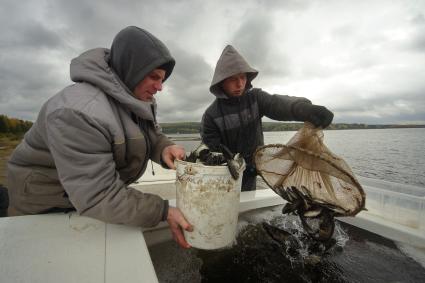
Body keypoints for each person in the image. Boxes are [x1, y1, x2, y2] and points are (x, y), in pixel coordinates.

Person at [7, 26, 192, 248]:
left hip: (83, 196)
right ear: (131, 69)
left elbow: (149, 133)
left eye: (163, 80)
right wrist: (163, 211)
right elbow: (98, 195)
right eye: (154, 77)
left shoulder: (135, 97)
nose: (160, 87)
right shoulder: (78, 112)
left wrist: (163, 147)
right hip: (48, 204)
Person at [201, 45, 334, 191]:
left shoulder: (256, 98)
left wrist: (303, 109)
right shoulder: (211, 116)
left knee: (248, 205)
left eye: (242, 77)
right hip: (224, 178)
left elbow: (278, 104)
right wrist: (241, 166)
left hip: (252, 174)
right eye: (233, 79)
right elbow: (214, 153)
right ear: (221, 81)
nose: (239, 84)